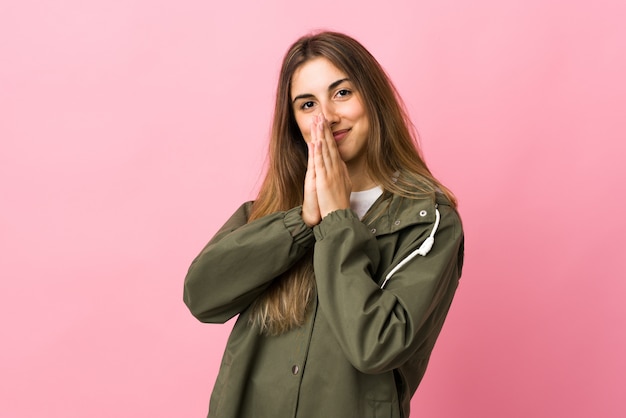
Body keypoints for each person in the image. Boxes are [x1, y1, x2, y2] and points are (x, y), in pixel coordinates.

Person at [183, 31, 464, 418]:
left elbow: (376, 346)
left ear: (372, 98)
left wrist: (336, 222)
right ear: (294, 122)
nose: (327, 117)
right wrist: (300, 224)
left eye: (342, 93)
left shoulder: (428, 222)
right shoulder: (267, 213)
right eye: (307, 104)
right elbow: (202, 297)